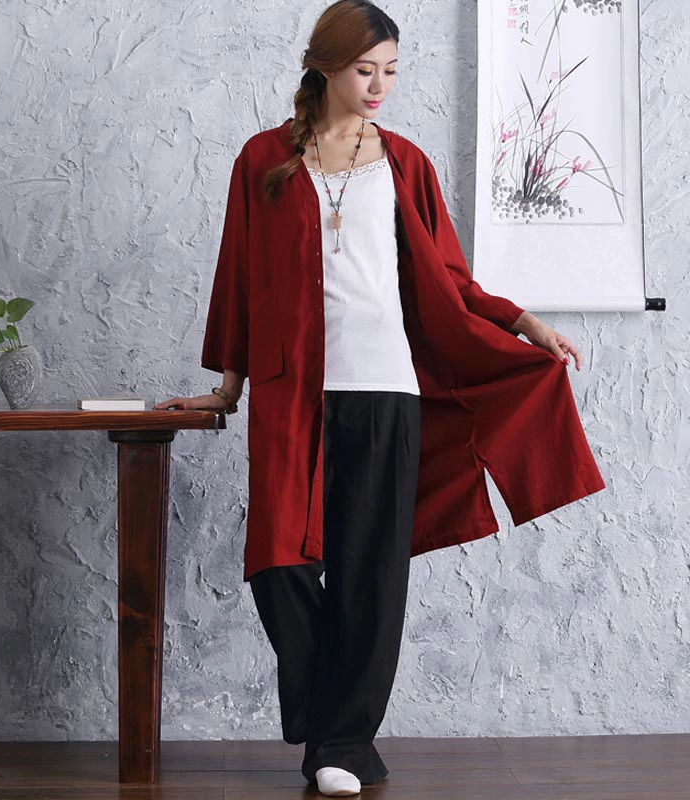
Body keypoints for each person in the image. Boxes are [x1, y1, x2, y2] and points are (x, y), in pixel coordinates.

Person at [155, 1, 593, 795]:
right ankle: (337, 722)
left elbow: (451, 280)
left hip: (388, 390)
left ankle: (342, 748)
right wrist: (228, 386)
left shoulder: (406, 165)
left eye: (391, 71)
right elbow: (239, 274)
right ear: (325, 66)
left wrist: (524, 323)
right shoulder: (262, 160)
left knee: (370, 573)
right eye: (366, 70)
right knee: (277, 563)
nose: (380, 85)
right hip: (292, 393)